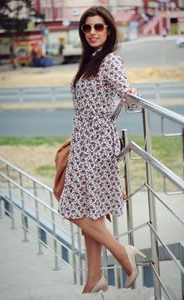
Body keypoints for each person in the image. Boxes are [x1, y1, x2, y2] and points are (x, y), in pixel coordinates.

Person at [58, 5, 146, 293]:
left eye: (98, 27)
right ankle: (94, 278)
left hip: (97, 143)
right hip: (84, 140)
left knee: (72, 209)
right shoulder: (90, 60)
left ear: (108, 30)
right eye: (87, 28)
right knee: (89, 211)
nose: (93, 32)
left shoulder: (109, 60)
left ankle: (123, 253)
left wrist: (130, 95)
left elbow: (125, 90)